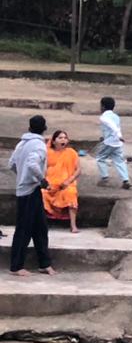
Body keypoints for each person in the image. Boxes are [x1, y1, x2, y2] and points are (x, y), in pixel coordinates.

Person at [9, 115, 53, 276]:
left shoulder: (22, 143)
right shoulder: (39, 146)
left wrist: (22, 177)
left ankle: (44, 263)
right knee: (24, 228)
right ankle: (16, 266)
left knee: (40, 227)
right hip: (30, 190)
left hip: (27, 189)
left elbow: (12, 164)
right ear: (44, 129)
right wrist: (41, 180)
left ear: (29, 128)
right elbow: (32, 163)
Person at [42, 130, 80, 233]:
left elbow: (78, 170)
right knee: (41, 193)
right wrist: (46, 182)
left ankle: (73, 225)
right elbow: (44, 169)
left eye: (65, 138)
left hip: (67, 183)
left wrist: (69, 181)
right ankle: (41, 224)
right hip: (51, 183)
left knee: (71, 193)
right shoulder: (47, 153)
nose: (63, 140)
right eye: (60, 138)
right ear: (54, 141)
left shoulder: (71, 152)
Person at [96, 96, 130, 189]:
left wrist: (119, 136)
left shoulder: (103, 117)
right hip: (117, 143)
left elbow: (113, 127)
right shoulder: (116, 117)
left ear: (102, 107)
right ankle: (125, 180)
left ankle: (104, 177)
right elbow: (114, 128)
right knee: (119, 160)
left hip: (109, 142)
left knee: (100, 158)